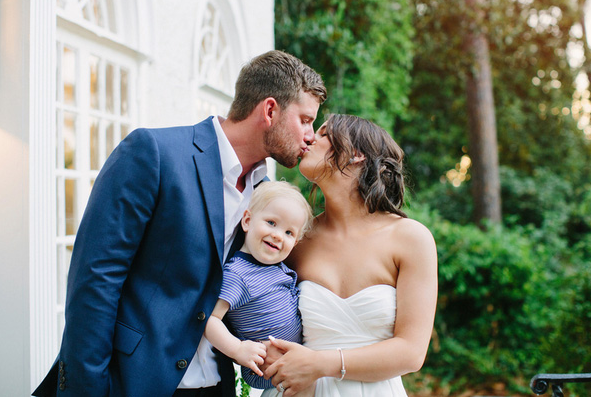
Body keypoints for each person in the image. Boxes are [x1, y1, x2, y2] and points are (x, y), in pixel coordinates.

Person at [33, 50, 326, 397]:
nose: (310, 135)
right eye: (305, 120)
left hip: (216, 385)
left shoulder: (264, 198)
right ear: (270, 110)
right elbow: (96, 278)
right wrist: (86, 390)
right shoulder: (154, 152)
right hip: (132, 382)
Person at [262, 114, 438, 397]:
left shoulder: (410, 239)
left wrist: (320, 363)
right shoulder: (296, 241)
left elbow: (412, 352)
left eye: (322, 134)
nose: (308, 139)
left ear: (356, 154)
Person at [203, 180, 313, 393]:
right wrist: (237, 349)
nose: (278, 235)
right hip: (269, 369)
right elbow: (210, 319)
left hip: (299, 365)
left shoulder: (277, 267)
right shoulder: (238, 274)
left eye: (289, 233)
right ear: (247, 220)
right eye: (271, 222)